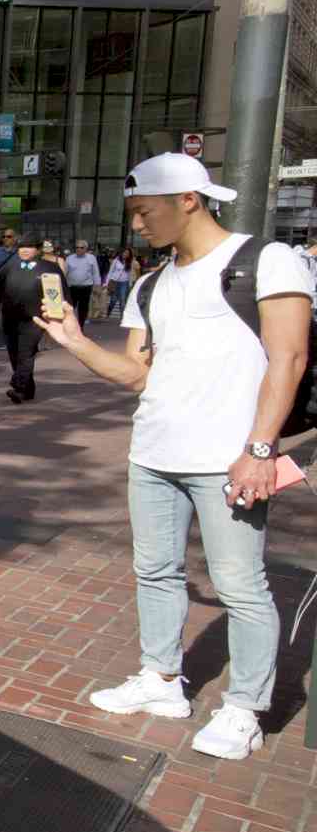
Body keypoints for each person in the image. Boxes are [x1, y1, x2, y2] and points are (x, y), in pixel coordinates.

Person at [41, 153, 313, 761]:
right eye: (133, 213)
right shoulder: (151, 284)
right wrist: (78, 342)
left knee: (242, 586)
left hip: (230, 459)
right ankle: (161, 681)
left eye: (144, 211)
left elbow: (288, 359)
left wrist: (260, 450)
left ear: (188, 199)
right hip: (153, 454)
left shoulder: (267, 261)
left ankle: (245, 706)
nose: (137, 224)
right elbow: (136, 373)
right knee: (155, 572)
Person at [0, 238, 64, 403]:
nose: (25, 250)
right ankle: (28, 389)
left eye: (30, 246)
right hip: (11, 318)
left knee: (26, 352)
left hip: (35, 319)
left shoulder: (49, 268)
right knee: (14, 353)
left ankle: (18, 387)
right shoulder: (10, 266)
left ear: (38, 249)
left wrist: (58, 317)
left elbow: (60, 294)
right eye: (22, 247)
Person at [64, 240, 100, 324]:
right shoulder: (69, 258)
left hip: (86, 287)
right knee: (71, 308)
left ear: (86, 249)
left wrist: (97, 285)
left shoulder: (91, 258)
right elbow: (65, 273)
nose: (79, 249)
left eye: (81, 247)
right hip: (72, 287)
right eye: (77, 247)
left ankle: (81, 326)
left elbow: (95, 272)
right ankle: (71, 324)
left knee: (83, 308)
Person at [105, 247, 135, 318]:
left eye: (127, 253)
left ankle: (122, 318)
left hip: (124, 283)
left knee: (122, 300)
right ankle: (108, 313)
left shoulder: (130, 262)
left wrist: (130, 284)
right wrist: (106, 282)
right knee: (113, 300)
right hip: (115, 282)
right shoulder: (116, 260)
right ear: (121, 253)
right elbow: (110, 271)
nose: (125, 254)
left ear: (129, 255)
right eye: (124, 253)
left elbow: (130, 274)